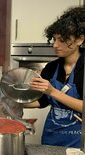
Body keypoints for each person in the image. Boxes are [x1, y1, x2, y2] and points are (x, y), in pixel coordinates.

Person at [29, 6, 84, 147]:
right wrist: (17, 101)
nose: (55, 45)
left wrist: (52, 91)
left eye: (62, 40)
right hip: (51, 138)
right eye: (54, 39)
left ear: (79, 40)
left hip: (78, 142)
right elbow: (43, 101)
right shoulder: (51, 68)